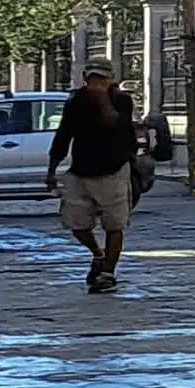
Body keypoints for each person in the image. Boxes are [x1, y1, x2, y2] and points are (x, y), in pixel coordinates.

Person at [49, 68, 140, 293]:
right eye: (92, 80)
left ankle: (108, 273)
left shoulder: (121, 101)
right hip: (81, 170)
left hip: (113, 170)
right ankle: (98, 255)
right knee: (76, 223)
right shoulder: (76, 101)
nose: (96, 84)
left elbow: (118, 127)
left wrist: (103, 100)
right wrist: (52, 168)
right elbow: (64, 134)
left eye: (102, 80)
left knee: (114, 224)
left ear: (110, 81)